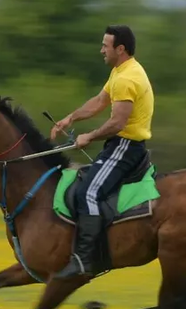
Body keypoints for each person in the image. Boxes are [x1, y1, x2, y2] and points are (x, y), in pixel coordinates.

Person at [49, 24, 154, 279]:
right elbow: (99, 102)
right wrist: (71, 118)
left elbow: (117, 123)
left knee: (88, 192)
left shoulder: (127, 79)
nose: (101, 51)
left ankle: (85, 260)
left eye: (105, 46)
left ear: (120, 49)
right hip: (118, 146)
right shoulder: (121, 71)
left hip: (125, 147)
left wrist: (89, 137)